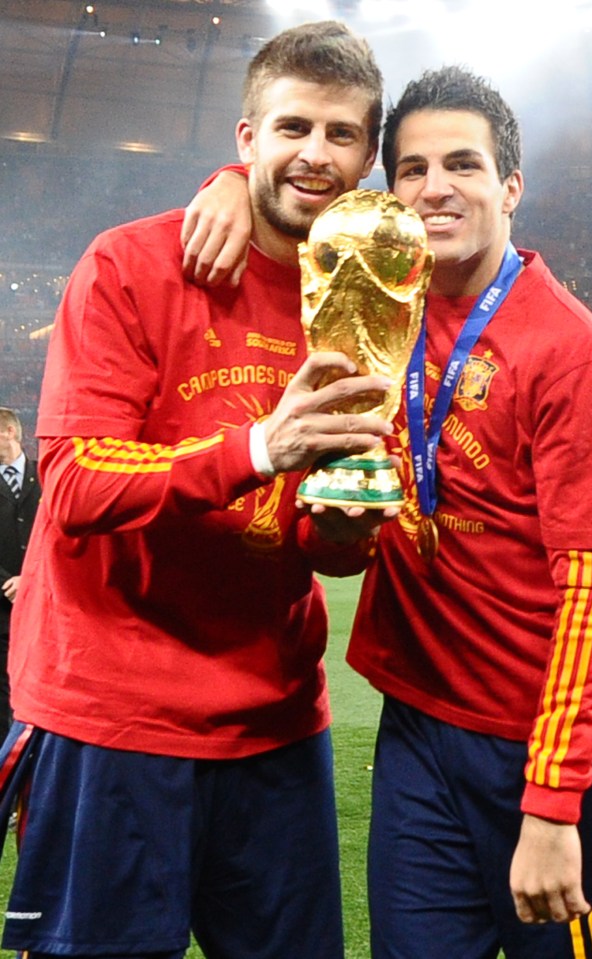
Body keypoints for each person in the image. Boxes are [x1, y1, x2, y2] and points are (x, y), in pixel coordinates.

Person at [180, 65, 592, 959]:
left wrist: (552, 803)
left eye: (463, 165)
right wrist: (225, 181)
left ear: (510, 186)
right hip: (418, 732)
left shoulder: (571, 356)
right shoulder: (374, 299)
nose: (434, 187)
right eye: (410, 169)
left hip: (550, 746)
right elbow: (292, 187)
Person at [1, 21, 391, 959]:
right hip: (110, 716)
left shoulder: (360, 302)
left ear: (369, 158)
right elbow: (78, 480)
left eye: (342, 135)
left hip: (274, 720)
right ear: (246, 139)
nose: (316, 154)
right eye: (293, 127)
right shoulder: (128, 265)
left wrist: (344, 532)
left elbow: (317, 545)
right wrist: (258, 446)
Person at [0, 408, 41, 741]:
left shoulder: (47, 477)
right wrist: (7, 582)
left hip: (45, 604)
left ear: (10, 433)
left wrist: (33, 579)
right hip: (1, 607)